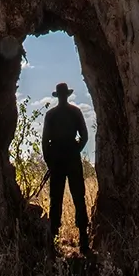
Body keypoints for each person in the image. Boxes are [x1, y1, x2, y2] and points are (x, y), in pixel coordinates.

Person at [41, 82, 90, 254]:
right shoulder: (75, 112)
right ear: (66, 95)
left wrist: (50, 161)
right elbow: (84, 136)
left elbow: (44, 142)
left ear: (58, 95)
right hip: (71, 157)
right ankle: (83, 239)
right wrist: (75, 150)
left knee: (57, 198)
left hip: (57, 158)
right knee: (78, 197)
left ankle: (55, 238)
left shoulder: (51, 114)